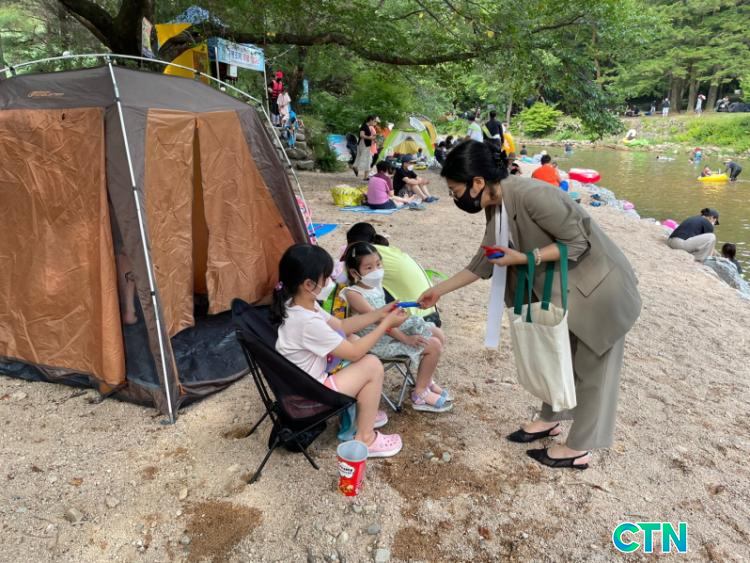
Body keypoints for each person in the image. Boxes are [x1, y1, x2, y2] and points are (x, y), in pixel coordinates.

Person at [418, 140, 642, 470]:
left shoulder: (534, 195)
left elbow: (577, 242)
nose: (454, 197)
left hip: (600, 291)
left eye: (455, 190)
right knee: (558, 357)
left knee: (593, 371)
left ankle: (579, 447)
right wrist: (438, 291)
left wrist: (524, 258)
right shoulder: (496, 203)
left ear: (477, 182)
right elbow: (485, 258)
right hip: (565, 292)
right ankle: (550, 419)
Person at [272, 243, 406, 458]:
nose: (330, 282)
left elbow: (342, 326)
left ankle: (364, 415)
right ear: (308, 284)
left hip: (300, 385)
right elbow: (354, 353)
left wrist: (379, 314)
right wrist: (385, 325)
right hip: (310, 397)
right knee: (372, 365)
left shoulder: (300, 304)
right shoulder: (306, 321)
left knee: (353, 339)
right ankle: (366, 438)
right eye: (326, 278)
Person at [340, 243, 453, 413]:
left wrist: (411, 307)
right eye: (369, 268)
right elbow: (381, 322)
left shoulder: (375, 286)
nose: (376, 271)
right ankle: (420, 393)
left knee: (437, 333)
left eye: (378, 264)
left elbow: (387, 316)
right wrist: (406, 338)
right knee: (434, 345)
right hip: (375, 342)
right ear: (355, 273)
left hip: (389, 331)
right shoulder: (353, 294)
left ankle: (426, 380)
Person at [353, 115, 377, 180]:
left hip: (364, 144)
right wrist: (370, 138)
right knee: (368, 159)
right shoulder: (364, 126)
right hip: (364, 145)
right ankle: (365, 176)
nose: (374, 122)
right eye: (374, 121)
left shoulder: (366, 126)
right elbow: (361, 135)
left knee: (361, 157)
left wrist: (372, 139)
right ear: (370, 120)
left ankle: (355, 167)